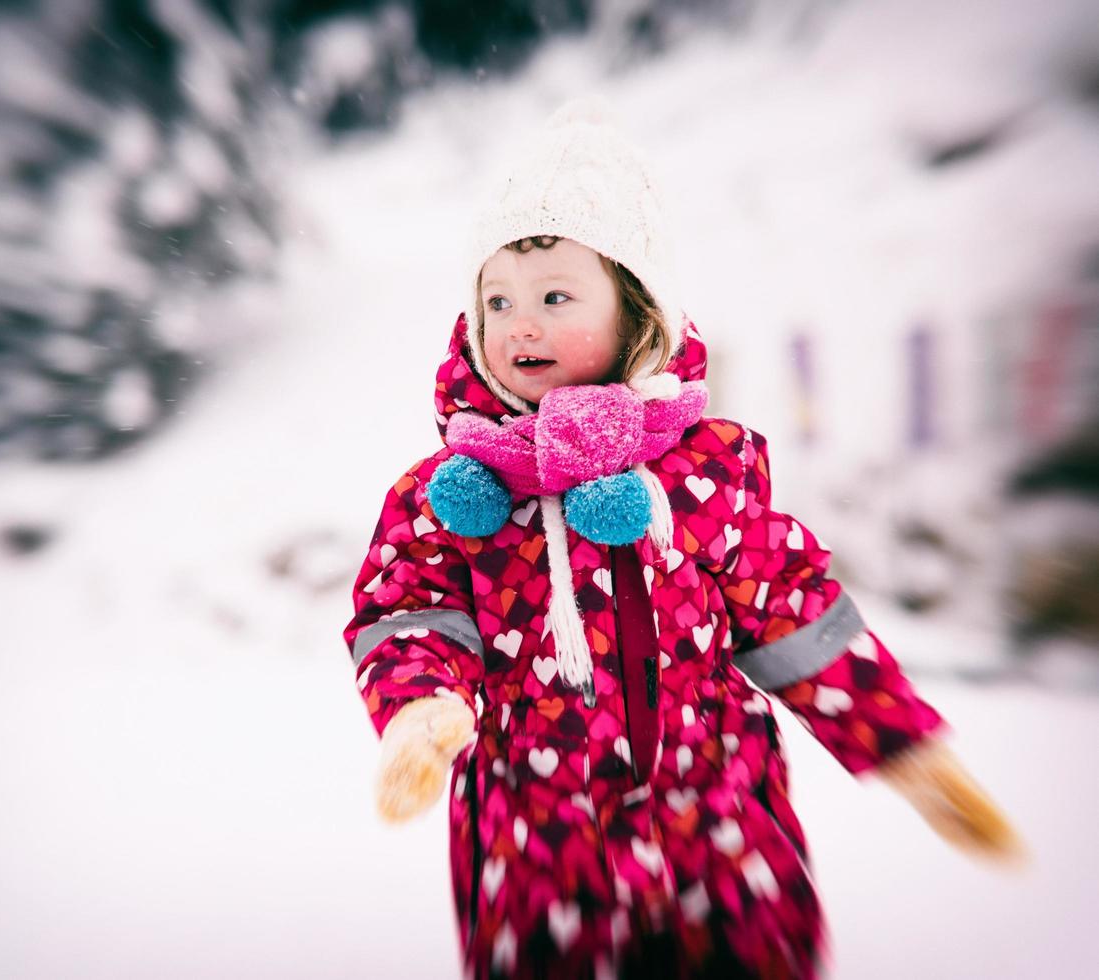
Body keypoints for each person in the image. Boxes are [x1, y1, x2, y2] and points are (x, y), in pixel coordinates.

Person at [343, 102, 1020, 979]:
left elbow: (796, 614)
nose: (521, 324)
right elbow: (408, 612)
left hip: (720, 822)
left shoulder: (706, 473)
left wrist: (904, 748)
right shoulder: (447, 498)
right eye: (498, 300)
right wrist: (423, 710)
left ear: (636, 314)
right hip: (535, 840)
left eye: (556, 298)